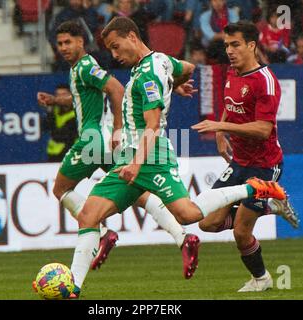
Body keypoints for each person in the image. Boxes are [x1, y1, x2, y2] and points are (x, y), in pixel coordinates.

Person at [66, 16, 288, 298]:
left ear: (132, 37)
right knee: (88, 214)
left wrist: (136, 163)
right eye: (110, 49)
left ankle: (254, 188)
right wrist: (174, 84)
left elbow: (153, 123)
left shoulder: (147, 75)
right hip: (131, 157)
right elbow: (188, 67)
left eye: (116, 46)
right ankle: (72, 287)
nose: (114, 54)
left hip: (150, 156)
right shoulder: (162, 60)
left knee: (189, 215)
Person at [36, 20, 202, 280]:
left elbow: (116, 88)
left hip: (93, 140)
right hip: (108, 142)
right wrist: (56, 100)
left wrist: (116, 129)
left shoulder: (85, 66)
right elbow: (83, 96)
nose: (64, 48)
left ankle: (101, 233)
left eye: (69, 42)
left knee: (60, 188)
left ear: (82, 41)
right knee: (137, 189)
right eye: (59, 44)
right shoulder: (81, 69)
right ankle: (182, 236)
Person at [191, 21, 299, 292]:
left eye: (235, 44)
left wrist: (219, 126)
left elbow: (263, 130)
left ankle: (261, 279)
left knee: (241, 232)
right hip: (239, 161)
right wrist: (220, 132)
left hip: (265, 166)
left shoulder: (266, 81)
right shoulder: (233, 71)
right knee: (208, 222)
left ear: (251, 45)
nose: (229, 50)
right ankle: (270, 205)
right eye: (227, 45)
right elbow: (231, 104)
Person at [39, 84, 78, 162]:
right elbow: (44, 127)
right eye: (58, 95)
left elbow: (66, 135)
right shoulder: (53, 110)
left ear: (71, 96)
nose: (61, 98)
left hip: (72, 153)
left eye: (64, 95)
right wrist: (48, 110)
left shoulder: (77, 112)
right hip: (53, 154)